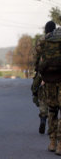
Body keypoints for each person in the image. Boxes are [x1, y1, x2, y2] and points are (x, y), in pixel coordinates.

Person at [36, 21, 61, 154]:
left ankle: (52, 142)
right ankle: (60, 144)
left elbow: (38, 58)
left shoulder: (44, 40)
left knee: (52, 110)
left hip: (49, 78)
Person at [32, 27, 50, 134]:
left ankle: (43, 119)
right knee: (55, 103)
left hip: (44, 74)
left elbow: (35, 58)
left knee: (42, 98)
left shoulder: (41, 41)